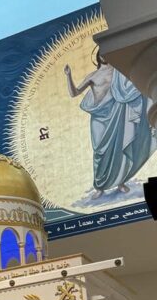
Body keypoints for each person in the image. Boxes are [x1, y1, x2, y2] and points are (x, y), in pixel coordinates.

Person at [65, 51, 156, 197]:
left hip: (116, 114)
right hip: (99, 118)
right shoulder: (93, 76)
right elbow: (74, 93)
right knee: (100, 152)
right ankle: (99, 186)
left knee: (119, 148)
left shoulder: (118, 72)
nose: (104, 56)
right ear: (97, 57)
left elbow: (130, 86)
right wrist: (68, 75)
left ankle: (120, 181)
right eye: (101, 53)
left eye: (105, 53)